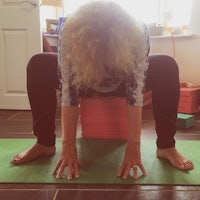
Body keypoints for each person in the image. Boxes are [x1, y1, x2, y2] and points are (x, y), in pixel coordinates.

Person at [12, 1, 193, 180]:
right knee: (38, 64)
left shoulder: (138, 31)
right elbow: (68, 90)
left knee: (166, 65)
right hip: (85, 82)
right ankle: (44, 143)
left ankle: (166, 146)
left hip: (124, 83)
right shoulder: (69, 29)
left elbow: (135, 90)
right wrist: (68, 146)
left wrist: (134, 147)